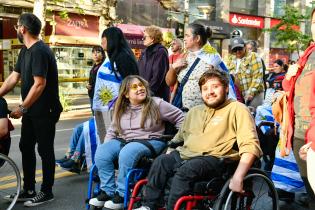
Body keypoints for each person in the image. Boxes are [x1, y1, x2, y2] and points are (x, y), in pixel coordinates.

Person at [135, 69, 262, 210]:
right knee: (161, 162)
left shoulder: (237, 109)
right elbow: (178, 139)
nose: (210, 92)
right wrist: (170, 150)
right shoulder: (195, 111)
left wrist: (238, 177)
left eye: (215, 86)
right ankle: (148, 206)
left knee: (187, 170)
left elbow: (250, 145)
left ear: (226, 88)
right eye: (205, 88)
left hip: (217, 158)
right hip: (187, 155)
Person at [89, 75, 184, 209]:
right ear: (126, 94)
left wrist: (177, 140)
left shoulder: (157, 104)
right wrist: (107, 146)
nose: (140, 88)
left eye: (141, 85)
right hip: (126, 140)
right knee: (102, 152)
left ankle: (122, 195)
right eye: (134, 87)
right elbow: (112, 130)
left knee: (128, 152)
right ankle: (108, 190)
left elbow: (182, 118)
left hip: (152, 140)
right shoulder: (121, 108)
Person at [0, 13, 62, 206]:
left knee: (45, 150)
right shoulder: (25, 51)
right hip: (32, 111)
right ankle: (28, 189)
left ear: (22, 29)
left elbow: (39, 84)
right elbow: (14, 77)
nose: (16, 29)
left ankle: (47, 191)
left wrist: (22, 108)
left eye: (17, 26)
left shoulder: (40, 51)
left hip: (46, 110)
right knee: (25, 146)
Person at [282, 8, 315, 208]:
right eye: (314, 22)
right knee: (309, 186)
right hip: (299, 132)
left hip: (313, 136)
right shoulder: (309, 52)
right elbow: (289, 87)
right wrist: (288, 76)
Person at [166, 23, 236, 111]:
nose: (184, 39)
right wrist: (173, 68)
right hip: (181, 110)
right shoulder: (184, 56)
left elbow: (226, 86)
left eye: (187, 36)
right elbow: (169, 82)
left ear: (197, 38)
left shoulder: (212, 58)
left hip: (203, 113)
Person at [93, 27, 139, 142]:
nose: (101, 41)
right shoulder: (109, 57)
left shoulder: (123, 57)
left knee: (109, 142)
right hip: (103, 108)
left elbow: (131, 83)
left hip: (115, 109)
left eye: (104, 37)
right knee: (103, 140)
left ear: (111, 39)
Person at [225, 37, 264, 108]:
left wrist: (251, 93)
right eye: (235, 50)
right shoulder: (231, 58)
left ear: (245, 46)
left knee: (252, 116)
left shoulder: (253, 56)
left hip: (254, 95)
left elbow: (258, 75)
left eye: (240, 48)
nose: (237, 51)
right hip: (237, 95)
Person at [138, 26, 170, 101]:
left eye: (145, 37)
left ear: (152, 38)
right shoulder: (144, 52)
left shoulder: (160, 52)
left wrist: (148, 92)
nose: (142, 39)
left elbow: (158, 76)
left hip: (155, 96)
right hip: (143, 93)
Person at [86, 46, 105, 112]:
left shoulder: (104, 67)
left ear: (102, 55)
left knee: (100, 118)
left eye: (98, 52)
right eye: (93, 52)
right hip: (92, 95)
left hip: (100, 98)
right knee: (95, 117)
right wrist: (88, 85)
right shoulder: (94, 67)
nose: (95, 54)